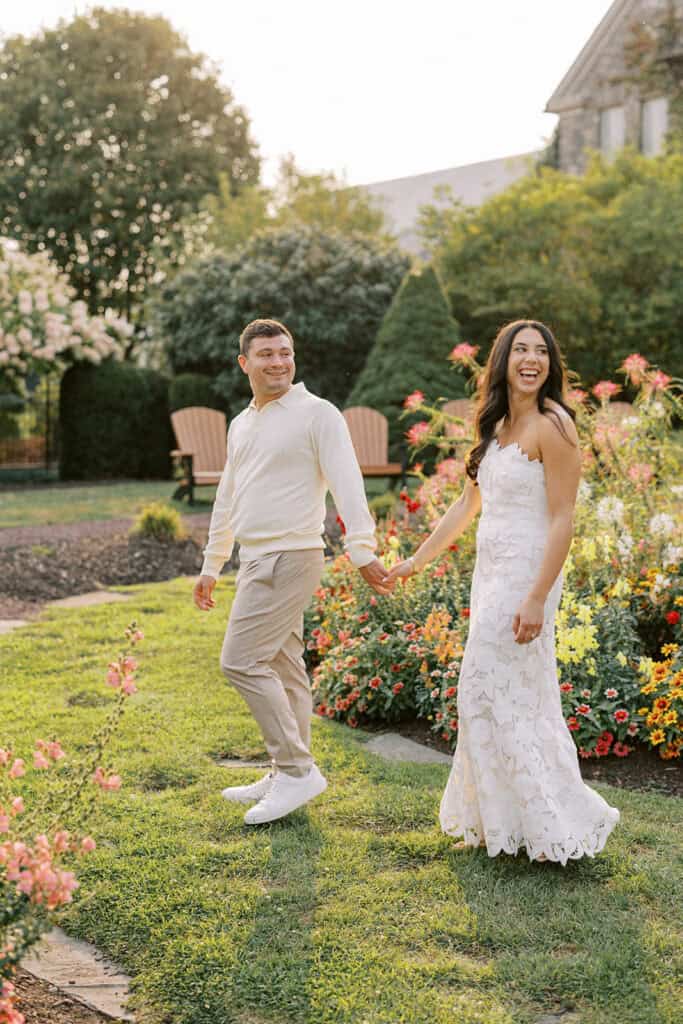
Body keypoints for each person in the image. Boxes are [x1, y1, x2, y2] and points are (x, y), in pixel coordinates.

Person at [387, 320, 620, 864]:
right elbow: (467, 505)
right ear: (503, 361)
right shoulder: (495, 427)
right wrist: (417, 560)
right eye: (520, 349)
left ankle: (552, 822)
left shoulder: (554, 425)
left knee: (493, 689)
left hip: (528, 576)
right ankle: (508, 824)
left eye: (541, 351)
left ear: (551, 364)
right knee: (497, 694)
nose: (531, 359)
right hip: (491, 574)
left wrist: (538, 596)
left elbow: (563, 518)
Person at [194, 318, 391, 825]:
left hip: (293, 555)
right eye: (266, 354)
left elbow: (349, 484)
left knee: (240, 661)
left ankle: (297, 770)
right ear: (245, 363)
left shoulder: (317, 414)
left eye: (285, 352)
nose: (278, 361)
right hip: (256, 557)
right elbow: (228, 498)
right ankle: (287, 772)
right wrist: (212, 564)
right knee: (284, 667)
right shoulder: (242, 424)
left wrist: (362, 549)